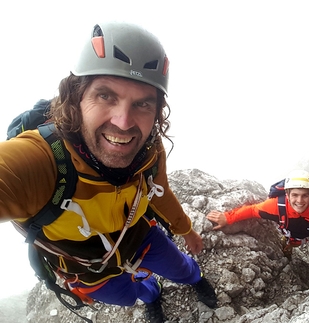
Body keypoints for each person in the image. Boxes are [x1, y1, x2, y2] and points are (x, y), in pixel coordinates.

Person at [0, 21, 217, 323]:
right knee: (130, 296)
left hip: (141, 238)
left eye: (143, 103)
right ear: (76, 96)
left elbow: (160, 192)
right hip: (88, 270)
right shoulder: (42, 160)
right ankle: (152, 294)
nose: (124, 122)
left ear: (157, 112)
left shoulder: (149, 152)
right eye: (106, 96)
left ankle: (196, 279)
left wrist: (186, 231)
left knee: (183, 269)